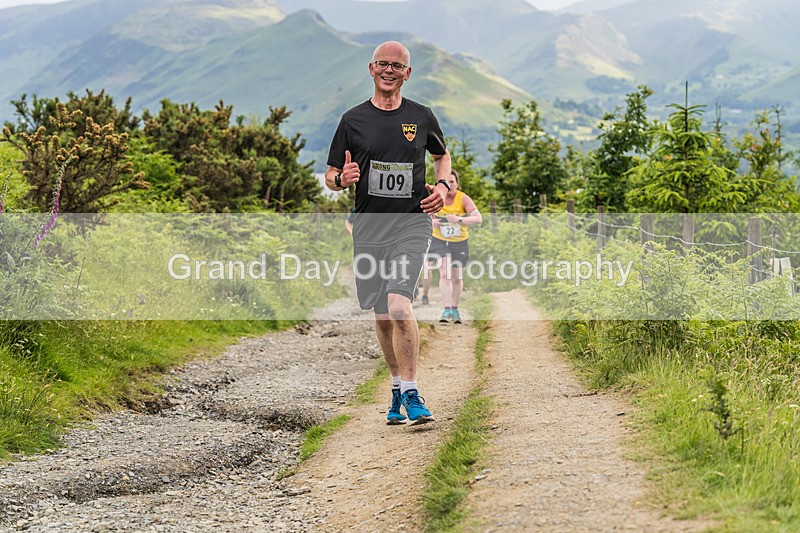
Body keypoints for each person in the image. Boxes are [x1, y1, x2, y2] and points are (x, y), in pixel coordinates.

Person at [325, 41, 452, 425]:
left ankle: (412, 392)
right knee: (382, 316)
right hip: (369, 229)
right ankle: (396, 387)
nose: (389, 70)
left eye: (397, 66)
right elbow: (331, 174)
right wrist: (341, 179)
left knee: (399, 305)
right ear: (371, 68)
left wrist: (442, 187)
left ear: (407, 73)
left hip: (412, 223)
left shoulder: (421, 116)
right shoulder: (352, 120)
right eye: (383, 64)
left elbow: (442, 156)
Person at [428, 169, 482, 323]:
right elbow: (424, 216)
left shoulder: (463, 198)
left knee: (457, 276)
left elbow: (478, 218)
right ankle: (446, 309)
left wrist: (460, 220)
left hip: (459, 242)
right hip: (439, 240)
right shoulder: (436, 197)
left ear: (457, 184)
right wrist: (432, 222)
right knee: (445, 273)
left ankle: (455, 308)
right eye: (447, 182)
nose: (450, 185)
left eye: (452, 182)